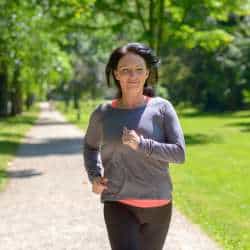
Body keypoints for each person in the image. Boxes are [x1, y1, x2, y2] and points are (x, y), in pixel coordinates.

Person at [83, 42, 186, 250]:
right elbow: (90, 147)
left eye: (139, 70)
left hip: (158, 204)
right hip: (118, 202)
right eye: (126, 70)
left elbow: (179, 153)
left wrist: (142, 144)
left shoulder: (162, 108)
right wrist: (94, 175)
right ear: (116, 74)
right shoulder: (102, 114)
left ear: (147, 73)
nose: (133, 76)